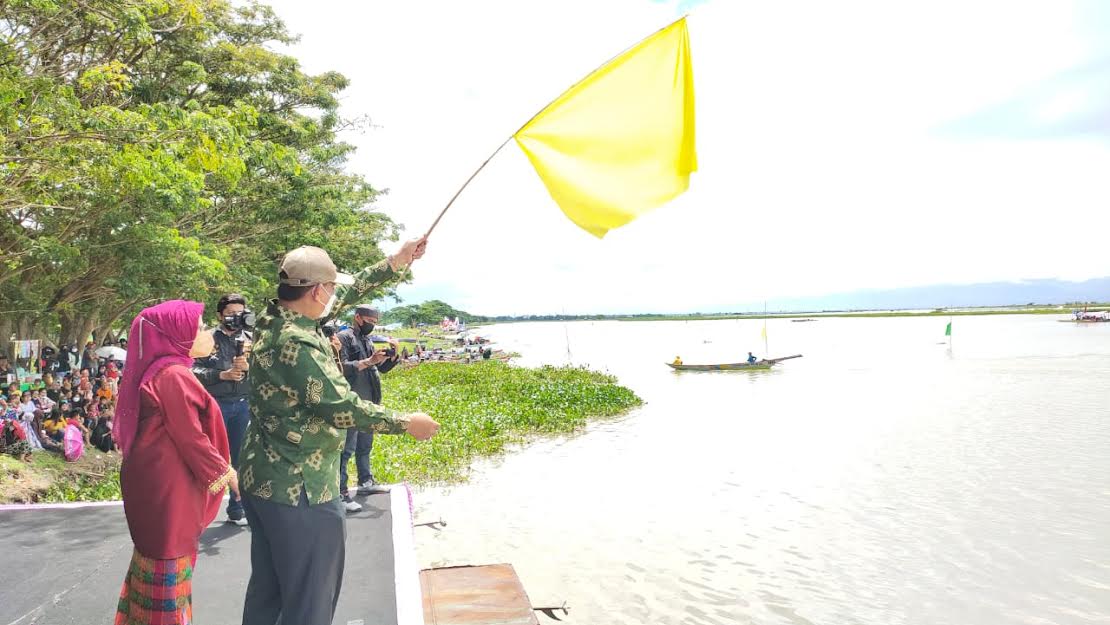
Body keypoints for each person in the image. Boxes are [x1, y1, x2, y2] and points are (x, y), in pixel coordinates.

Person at [238, 240, 439, 625]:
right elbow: (342, 407)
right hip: (301, 487)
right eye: (329, 288)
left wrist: (396, 262)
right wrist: (407, 423)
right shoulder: (297, 343)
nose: (335, 295)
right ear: (316, 292)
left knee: (269, 592)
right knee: (311, 597)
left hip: (263, 478)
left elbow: (345, 293)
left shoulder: (274, 318)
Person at [113, 300, 238, 625]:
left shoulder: (165, 370)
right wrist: (226, 473)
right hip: (168, 487)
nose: (206, 332)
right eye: (197, 328)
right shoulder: (174, 375)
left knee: (155, 561)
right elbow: (190, 436)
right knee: (169, 560)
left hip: (156, 480)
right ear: (175, 336)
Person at [192, 292, 254, 526]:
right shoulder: (206, 339)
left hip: (243, 404)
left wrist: (250, 367)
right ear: (219, 315)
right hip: (214, 404)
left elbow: (266, 369)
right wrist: (222, 374)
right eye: (230, 314)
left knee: (240, 457)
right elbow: (192, 370)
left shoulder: (250, 338)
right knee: (211, 458)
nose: (235, 318)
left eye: (240, 313)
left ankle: (237, 508)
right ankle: (199, 512)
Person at [337, 305, 399, 512]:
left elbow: (380, 368)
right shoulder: (343, 337)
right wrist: (369, 360)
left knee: (365, 446)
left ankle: (366, 482)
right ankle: (341, 492)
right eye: (370, 321)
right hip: (352, 403)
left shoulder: (367, 340)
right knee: (346, 450)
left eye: (375, 322)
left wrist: (391, 356)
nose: (372, 325)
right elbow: (341, 368)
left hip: (369, 403)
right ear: (358, 318)